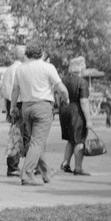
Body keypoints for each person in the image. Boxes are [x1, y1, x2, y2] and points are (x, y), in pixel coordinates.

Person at [10, 44, 69, 186]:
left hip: (26, 107)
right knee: (37, 142)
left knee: (35, 141)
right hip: (42, 106)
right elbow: (61, 88)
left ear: (28, 53)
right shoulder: (47, 67)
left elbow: (15, 90)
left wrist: (13, 106)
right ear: (41, 53)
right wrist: (66, 99)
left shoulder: (20, 68)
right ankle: (27, 174)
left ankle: (46, 172)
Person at [59, 56, 92, 176]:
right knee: (79, 140)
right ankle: (78, 168)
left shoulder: (63, 80)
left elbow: (59, 96)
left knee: (70, 139)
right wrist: (88, 119)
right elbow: (84, 101)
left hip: (65, 110)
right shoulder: (82, 82)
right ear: (81, 67)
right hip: (76, 113)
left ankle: (65, 163)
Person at [0, 45, 27, 176]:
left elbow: (4, 89)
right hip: (20, 103)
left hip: (11, 102)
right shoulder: (22, 69)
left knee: (14, 134)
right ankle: (26, 164)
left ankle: (12, 164)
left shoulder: (9, 69)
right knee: (24, 134)